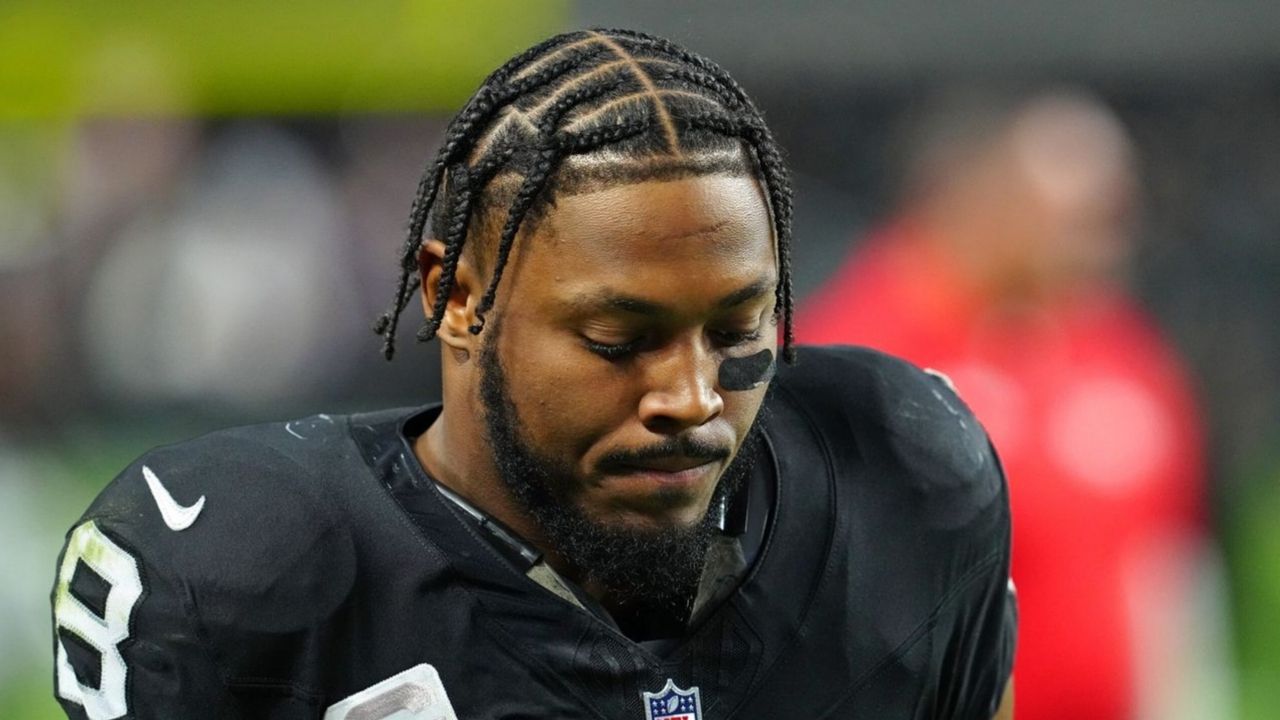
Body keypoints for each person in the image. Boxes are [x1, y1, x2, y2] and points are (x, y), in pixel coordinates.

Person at [51, 29, 1015, 719]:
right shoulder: (243, 572)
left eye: (736, 327)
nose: (692, 397)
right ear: (458, 296)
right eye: (619, 338)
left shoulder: (903, 476)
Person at [796, 90, 1208, 719]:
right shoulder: (857, 352)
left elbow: (1163, 571)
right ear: (983, 199)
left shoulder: (1121, 349)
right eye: (1082, 214)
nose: (1110, 236)